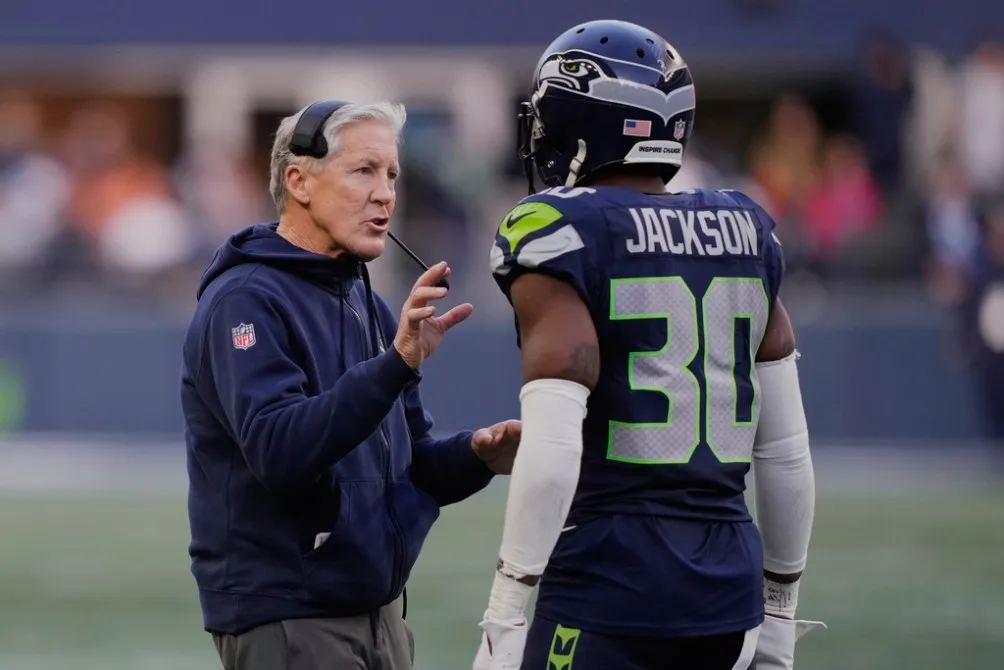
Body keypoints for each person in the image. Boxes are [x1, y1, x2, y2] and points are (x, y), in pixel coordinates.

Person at [472, 20, 822, 670]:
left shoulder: (560, 230)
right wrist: (780, 609)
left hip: (609, 584)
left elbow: (551, 446)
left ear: (580, 121)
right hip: (730, 589)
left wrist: (505, 614)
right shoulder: (744, 229)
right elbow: (785, 449)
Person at [180, 100, 520, 670]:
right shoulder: (246, 299)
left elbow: (410, 469)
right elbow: (280, 450)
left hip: (378, 611)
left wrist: (480, 455)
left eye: (391, 174)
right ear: (299, 181)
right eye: (364, 171)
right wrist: (395, 364)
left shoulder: (368, 302)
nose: (386, 192)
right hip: (291, 613)